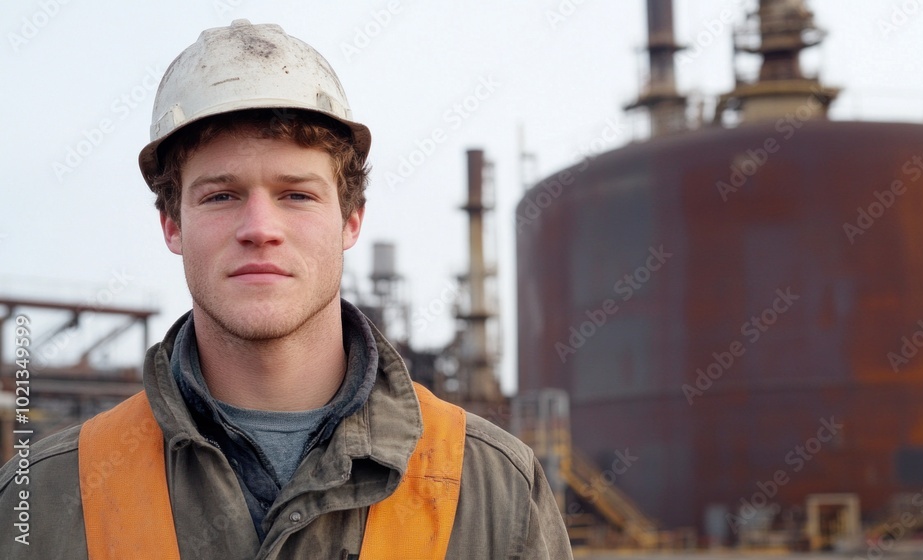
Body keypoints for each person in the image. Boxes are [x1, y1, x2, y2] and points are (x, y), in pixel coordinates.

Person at [0, 19, 572, 559]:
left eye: (297, 195)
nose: (260, 229)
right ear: (172, 225)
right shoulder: (44, 496)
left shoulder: (493, 488)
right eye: (220, 196)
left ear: (351, 220)